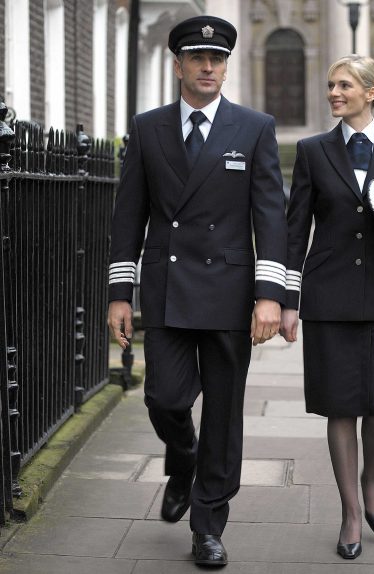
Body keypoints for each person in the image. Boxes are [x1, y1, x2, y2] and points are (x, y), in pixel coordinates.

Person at [107, 15, 287, 567]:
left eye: (217, 60)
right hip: (167, 290)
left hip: (231, 293)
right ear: (178, 64)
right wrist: (120, 292)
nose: (208, 67)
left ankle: (209, 525)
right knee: (164, 398)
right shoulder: (148, 127)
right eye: (197, 59)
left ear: (225, 66)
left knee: (225, 415)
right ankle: (182, 460)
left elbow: (270, 217)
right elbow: (128, 215)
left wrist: (270, 295)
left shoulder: (254, 127)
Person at [280, 55, 374, 560]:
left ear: (372, 91)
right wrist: (285, 300)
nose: (333, 93)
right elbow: (293, 230)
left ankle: (372, 477)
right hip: (328, 296)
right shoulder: (312, 151)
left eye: (344, 85)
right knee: (340, 405)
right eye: (330, 86)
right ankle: (350, 512)